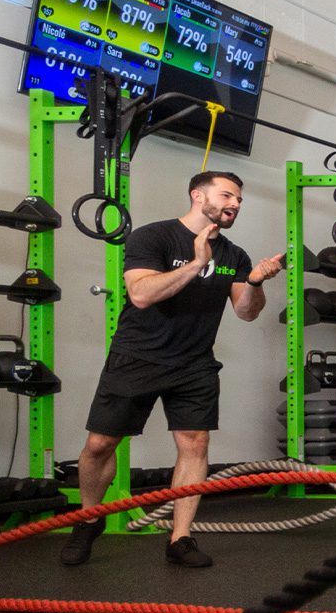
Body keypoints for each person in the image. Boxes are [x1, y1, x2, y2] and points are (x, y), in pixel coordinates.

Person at [60, 171, 283, 568]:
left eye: (239, 200)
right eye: (227, 195)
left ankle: (180, 538)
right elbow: (142, 294)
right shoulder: (154, 237)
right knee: (99, 446)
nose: (235, 204)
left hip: (194, 362)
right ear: (198, 195)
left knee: (194, 444)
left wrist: (254, 282)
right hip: (138, 356)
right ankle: (89, 518)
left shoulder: (234, 255)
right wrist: (196, 264)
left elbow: (246, 312)